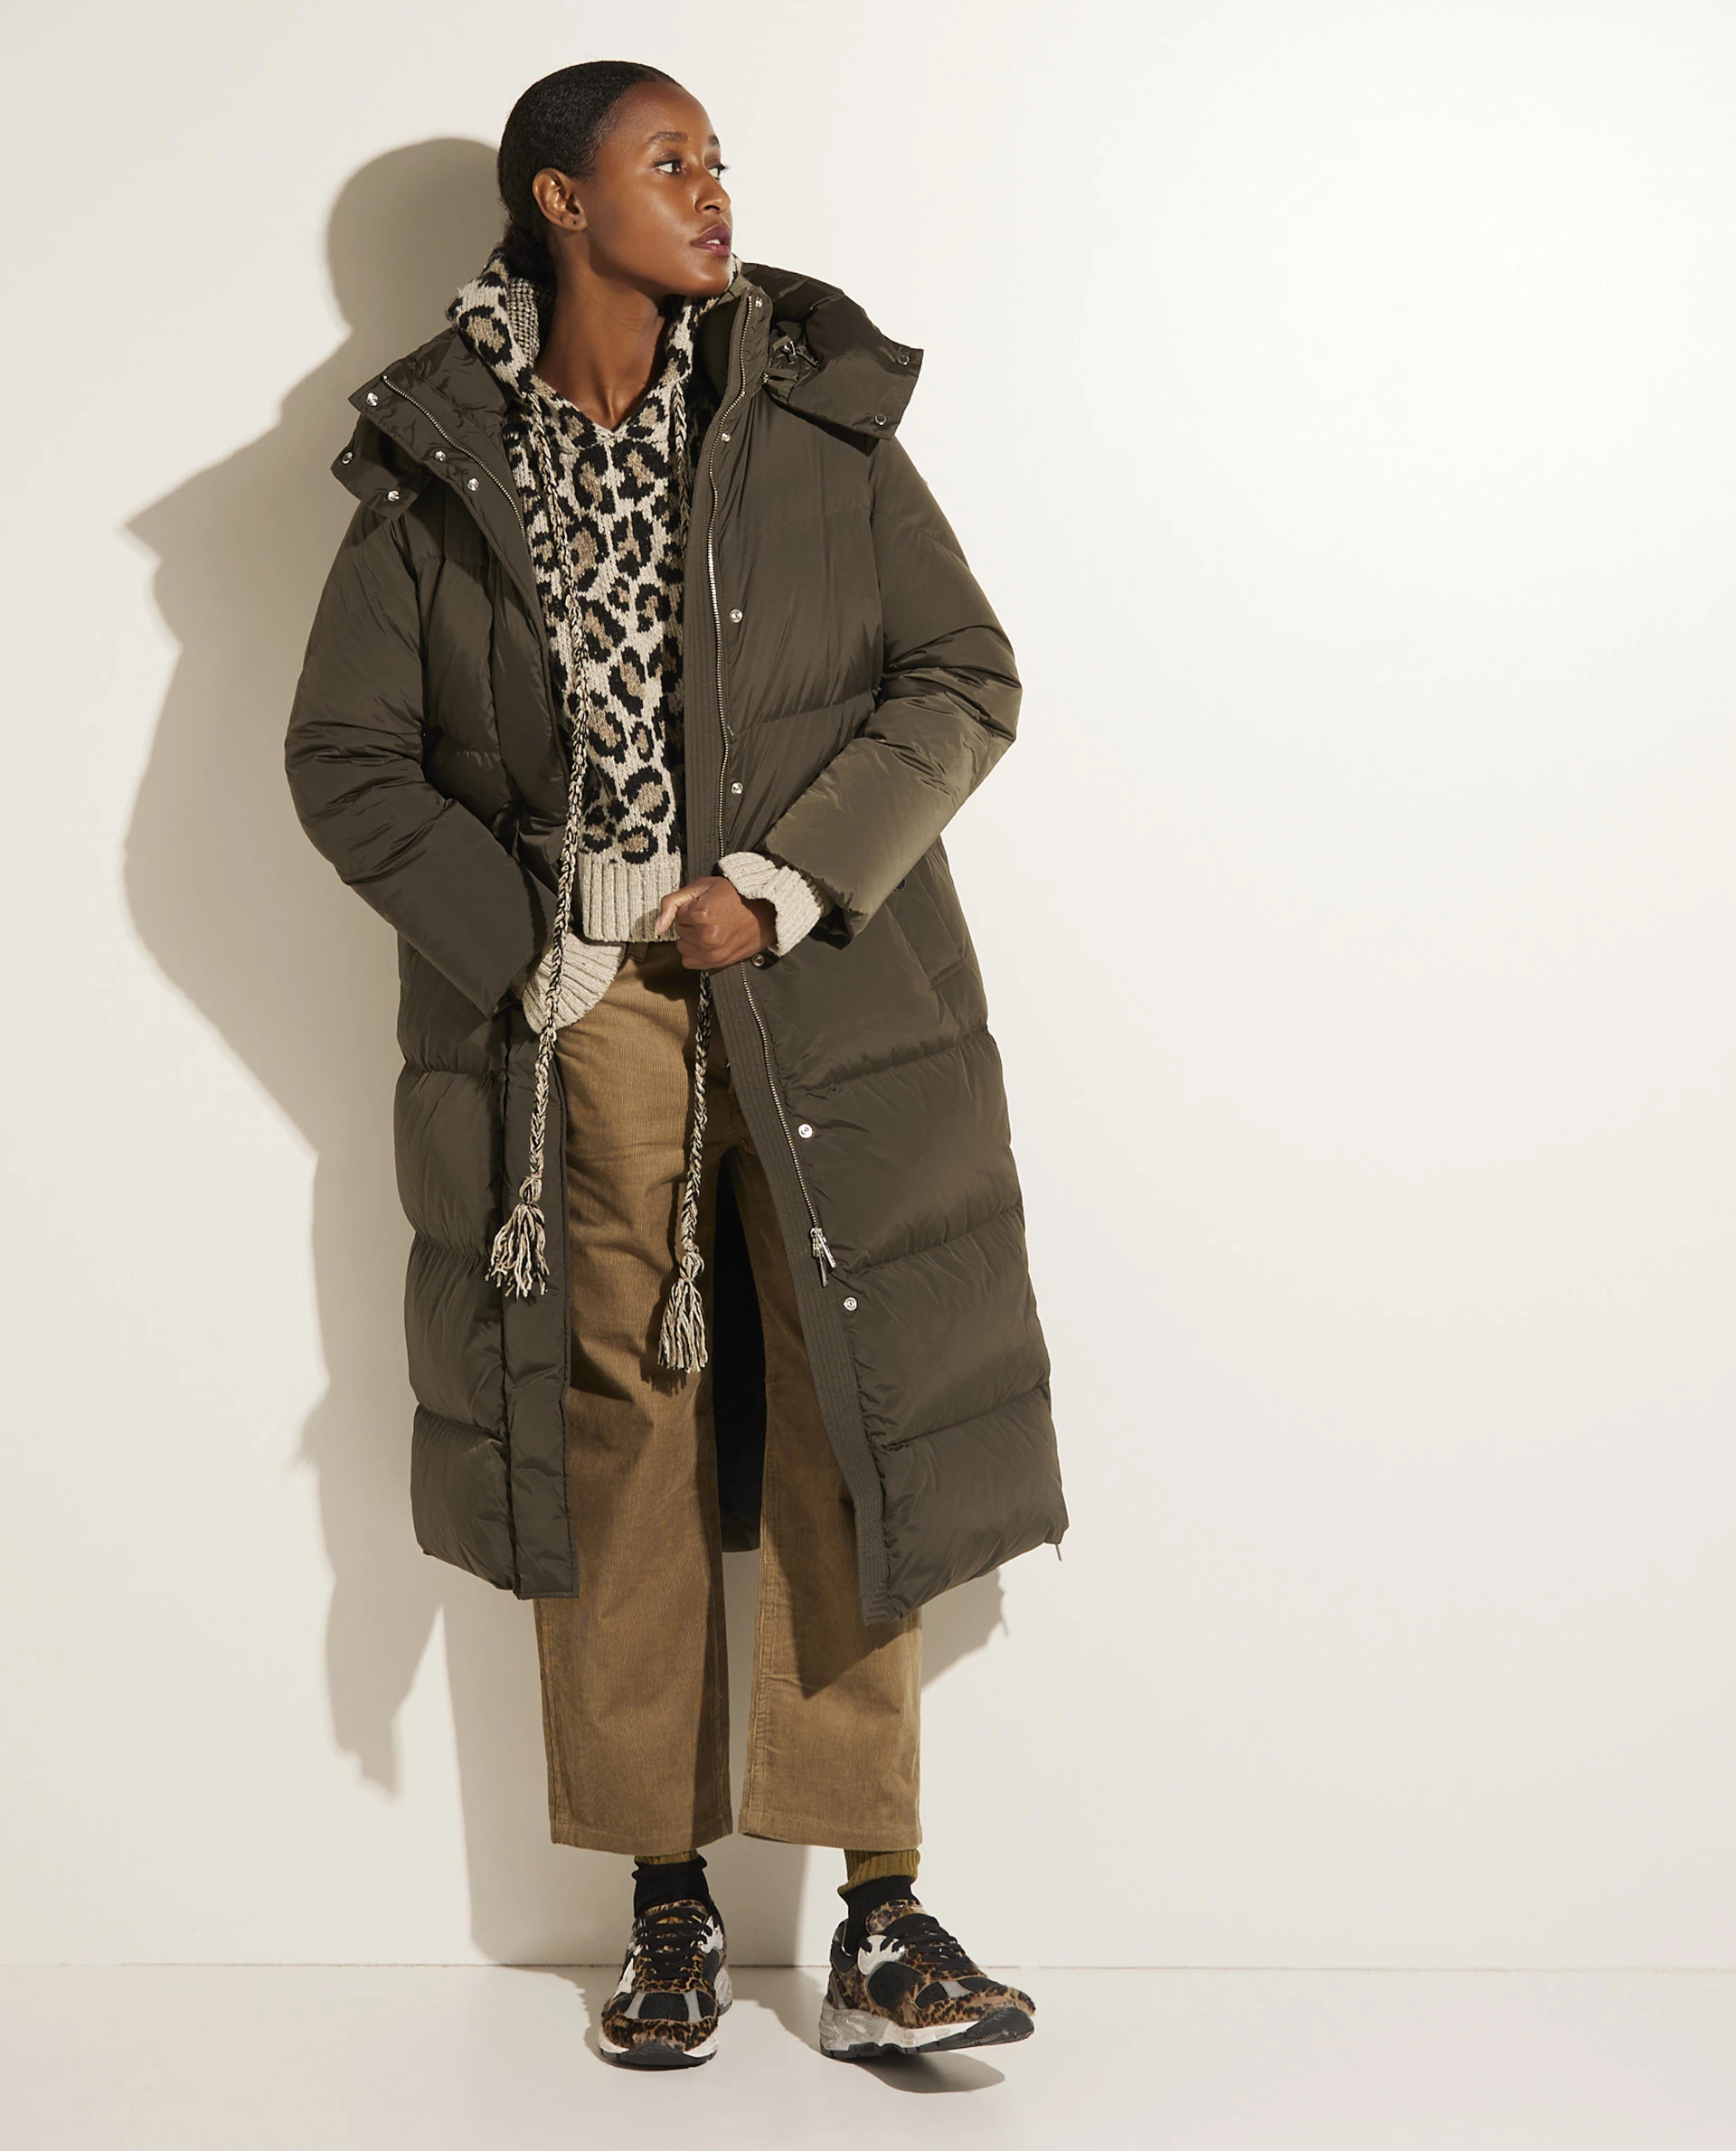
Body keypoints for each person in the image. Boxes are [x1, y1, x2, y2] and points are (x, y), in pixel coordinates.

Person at [285, 58, 1067, 2070]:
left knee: (847, 1386)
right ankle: (666, 1897)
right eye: (668, 161)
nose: (714, 192)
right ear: (561, 201)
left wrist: (789, 883)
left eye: (719, 160)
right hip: (586, 1011)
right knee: (622, 1410)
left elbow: (964, 675)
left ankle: (881, 1915)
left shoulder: (809, 413)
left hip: (819, 984)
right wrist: (527, 944)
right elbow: (347, 758)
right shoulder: (440, 457)